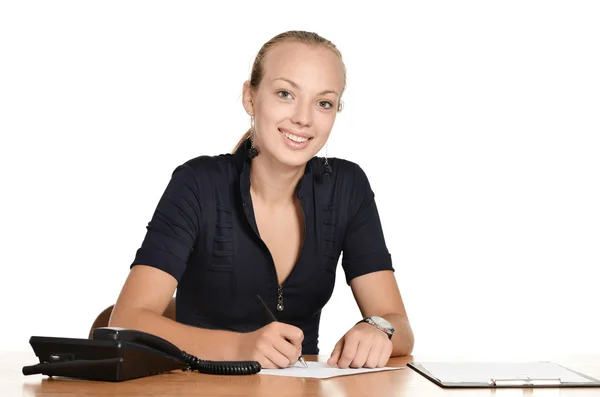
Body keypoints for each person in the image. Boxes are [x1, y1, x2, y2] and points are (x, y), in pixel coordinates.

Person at [108, 30, 414, 370]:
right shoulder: (198, 184)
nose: (303, 118)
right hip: (196, 387)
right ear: (250, 98)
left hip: (297, 391)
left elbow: (397, 322)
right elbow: (127, 321)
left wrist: (377, 328)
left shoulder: (347, 187)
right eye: (285, 94)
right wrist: (240, 347)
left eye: (323, 102)